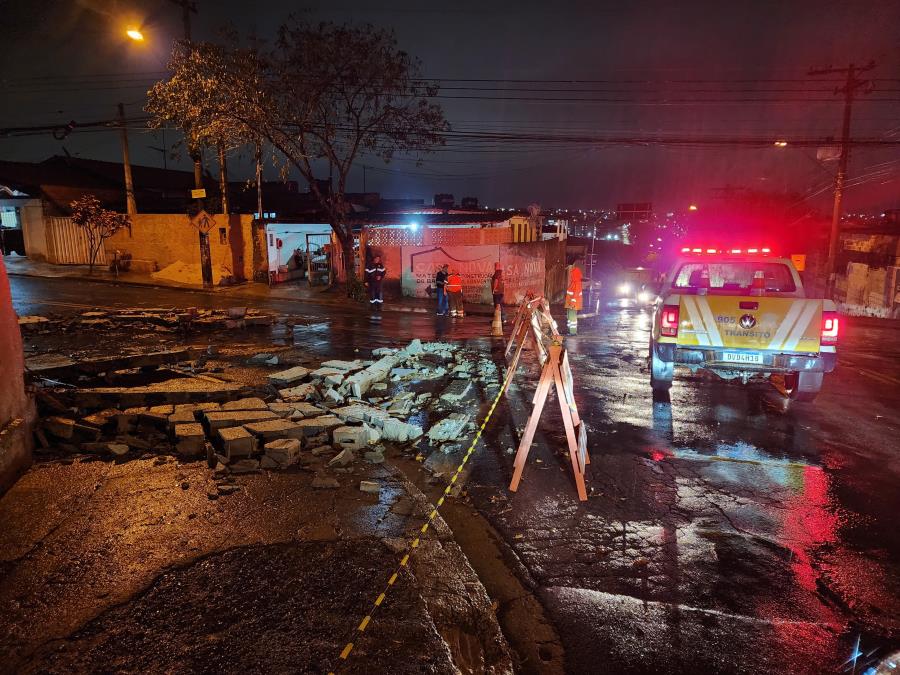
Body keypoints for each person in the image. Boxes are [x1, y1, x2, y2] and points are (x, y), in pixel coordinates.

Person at [565, 261, 583, 334]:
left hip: (573, 305)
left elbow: (575, 295)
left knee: (572, 317)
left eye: (572, 274)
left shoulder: (577, 283)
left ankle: (572, 332)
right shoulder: (574, 282)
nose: (571, 275)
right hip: (570, 304)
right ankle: (570, 330)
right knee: (569, 317)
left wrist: (572, 304)